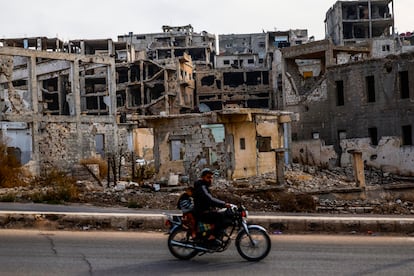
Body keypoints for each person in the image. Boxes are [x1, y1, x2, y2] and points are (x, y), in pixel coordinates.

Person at [192, 168, 231, 242]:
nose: (210, 180)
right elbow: (209, 199)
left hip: (204, 210)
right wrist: (224, 204)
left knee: (221, 214)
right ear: (203, 177)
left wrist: (219, 205)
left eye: (211, 178)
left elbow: (209, 199)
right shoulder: (201, 187)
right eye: (208, 177)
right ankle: (213, 236)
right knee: (221, 217)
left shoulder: (203, 186)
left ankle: (216, 234)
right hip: (201, 212)